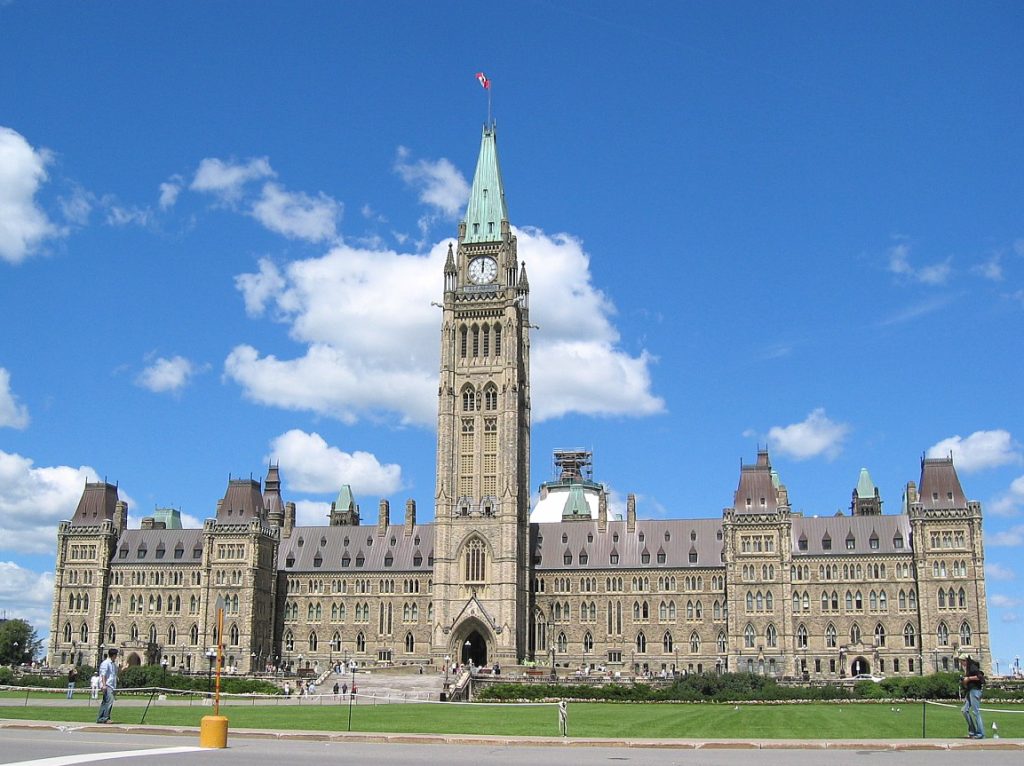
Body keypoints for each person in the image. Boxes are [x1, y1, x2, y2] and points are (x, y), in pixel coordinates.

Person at [959, 650, 985, 739]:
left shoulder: (972, 667)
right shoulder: (967, 669)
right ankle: (972, 732)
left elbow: (980, 677)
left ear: (966, 660)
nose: (961, 663)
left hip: (975, 691)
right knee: (964, 710)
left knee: (976, 712)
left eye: (962, 661)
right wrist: (964, 682)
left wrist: (968, 678)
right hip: (970, 691)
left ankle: (980, 733)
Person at [96, 648, 119, 724]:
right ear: (114, 655)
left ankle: (101, 718)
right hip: (107, 685)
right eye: (116, 655)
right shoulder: (106, 663)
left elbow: (113, 674)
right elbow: (103, 674)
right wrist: (104, 685)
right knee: (109, 701)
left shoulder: (113, 664)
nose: (116, 657)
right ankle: (105, 718)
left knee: (105, 702)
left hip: (111, 685)